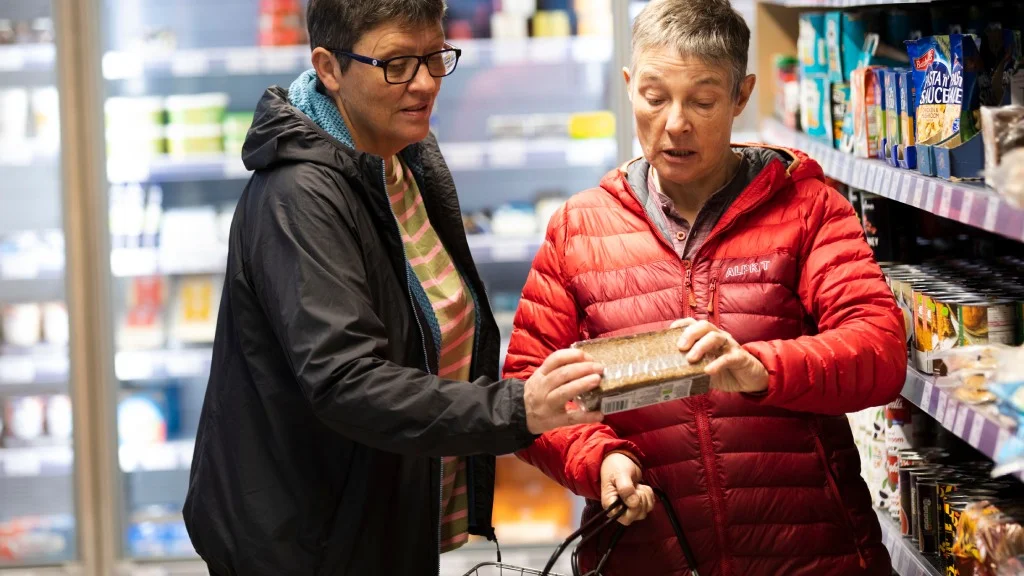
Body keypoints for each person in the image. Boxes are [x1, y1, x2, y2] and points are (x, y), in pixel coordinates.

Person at [182, 1, 607, 574]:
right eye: (397, 63)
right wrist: (513, 408)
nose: (426, 82)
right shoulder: (299, 197)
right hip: (309, 544)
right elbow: (346, 380)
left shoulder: (400, 159)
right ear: (328, 68)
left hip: (381, 518)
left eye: (434, 56)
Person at [503, 0, 907, 574]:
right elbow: (526, 389)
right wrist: (600, 460)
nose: (676, 123)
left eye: (704, 100)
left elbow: (880, 352)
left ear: (742, 96)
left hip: (813, 553)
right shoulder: (579, 228)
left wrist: (760, 368)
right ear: (627, 85)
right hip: (648, 553)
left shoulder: (808, 209)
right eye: (654, 96)